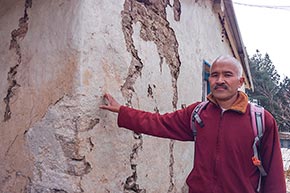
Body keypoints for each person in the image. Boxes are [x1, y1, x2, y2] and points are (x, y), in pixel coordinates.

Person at [99, 55, 286, 193]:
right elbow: (159, 123)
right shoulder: (198, 113)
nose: (219, 80)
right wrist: (123, 112)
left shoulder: (260, 120)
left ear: (240, 81)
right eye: (214, 75)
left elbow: (275, 174)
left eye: (227, 75)